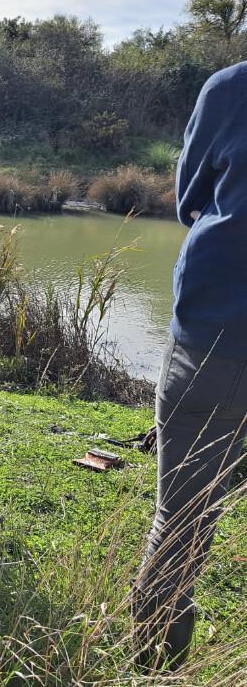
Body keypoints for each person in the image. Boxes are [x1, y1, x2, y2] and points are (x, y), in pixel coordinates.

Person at [132, 60, 247, 670]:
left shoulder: (231, 88)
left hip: (219, 334)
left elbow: (191, 198)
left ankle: (150, 668)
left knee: (182, 521)